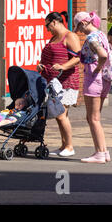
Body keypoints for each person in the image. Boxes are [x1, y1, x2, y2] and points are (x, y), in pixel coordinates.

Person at [36, 11, 80, 157]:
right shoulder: (54, 38)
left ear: (54, 22)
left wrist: (63, 66)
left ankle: (69, 146)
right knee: (58, 115)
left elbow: (79, 57)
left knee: (61, 114)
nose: (47, 29)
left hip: (66, 82)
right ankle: (63, 146)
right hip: (54, 83)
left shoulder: (70, 36)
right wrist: (42, 66)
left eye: (47, 25)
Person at [74, 11, 111, 164]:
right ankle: (103, 151)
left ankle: (99, 153)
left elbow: (102, 55)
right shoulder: (101, 34)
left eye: (79, 28)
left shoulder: (91, 38)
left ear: (83, 23)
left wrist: (97, 69)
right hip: (105, 79)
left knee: (92, 118)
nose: (80, 31)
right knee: (95, 118)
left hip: (94, 78)